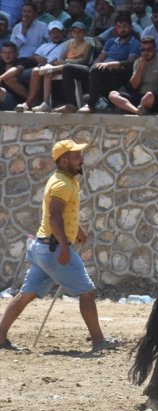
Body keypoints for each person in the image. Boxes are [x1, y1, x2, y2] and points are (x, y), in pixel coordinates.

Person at [0, 140, 120, 353]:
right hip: (54, 249)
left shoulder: (67, 180)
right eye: (76, 156)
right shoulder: (62, 184)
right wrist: (65, 246)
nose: (81, 159)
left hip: (42, 247)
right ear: (64, 160)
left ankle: (0, 337)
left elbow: (65, 215)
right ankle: (99, 340)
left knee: (26, 294)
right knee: (88, 292)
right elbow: (54, 217)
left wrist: (77, 231)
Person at [58, 14, 140, 114]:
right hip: (99, 70)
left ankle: (90, 105)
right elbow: (100, 58)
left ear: (130, 27)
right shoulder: (111, 42)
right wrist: (94, 65)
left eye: (125, 26)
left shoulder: (134, 43)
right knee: (68, 68)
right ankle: (71, 104)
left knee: (96, 69)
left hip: (116, 74)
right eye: (119, 27)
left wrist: (108, 65)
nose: (122, 29)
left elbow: (130, 63)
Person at [25, 21, 93, 112]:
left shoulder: (88, 45)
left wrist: (68, 62)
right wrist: (64, 62)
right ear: (71, 33)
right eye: (75, 32)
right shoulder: (69, 44)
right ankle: (46, 103)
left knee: (62, 67)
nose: (77, 34)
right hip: (65, 66)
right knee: (49, 72)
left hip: (79, 67)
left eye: (80, 32)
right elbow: (61, 59)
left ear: (84, 33)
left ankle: (51, 68)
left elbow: (84, 60)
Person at [9, 20, 67, 112]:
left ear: (63, 32)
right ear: (49, 33)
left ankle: (28, 103)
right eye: (53, 32)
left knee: (36, 71)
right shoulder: (45, 45)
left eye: (58, 32)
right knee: (12, 77)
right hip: (41, 67)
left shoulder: (67, 44)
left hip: (54, 68)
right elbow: (32, 57)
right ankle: (34, 101)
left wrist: (54, 62)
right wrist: (37, 58)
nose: (56, 35)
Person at [107, 36, 158, 114]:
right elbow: (134, 85)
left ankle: (131, 108)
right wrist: (141, 67)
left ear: (154, 49)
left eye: (149, 50)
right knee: (112, 94)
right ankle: (137, 111)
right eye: (143, 50)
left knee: (149, 96)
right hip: (141, 96)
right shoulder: (138, 62)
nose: (145, 53)